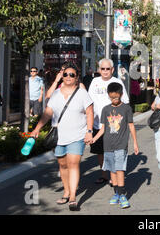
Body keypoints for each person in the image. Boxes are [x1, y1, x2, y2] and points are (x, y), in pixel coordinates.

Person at [31, 62, 94, 211]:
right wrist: (37, 128)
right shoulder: (56, 94)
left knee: (73, 163)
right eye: (65, 74)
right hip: (59, 136)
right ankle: (66, 191)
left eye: (72, 75)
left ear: (77, 77)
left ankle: (72, 197)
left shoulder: (82, 93)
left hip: (77, 135)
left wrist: (89, 131)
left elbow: (90, 112)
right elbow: (48, 113)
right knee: (63, 165)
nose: (68, 77)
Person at [90, 82, 139, 209]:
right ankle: (116, 193)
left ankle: (123, 195)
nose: (114, 100)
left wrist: (135, 143)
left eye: (116, 98)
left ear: (121, 95)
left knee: (120, 169)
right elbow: (103, 128)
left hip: (121, 145)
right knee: (112, 170)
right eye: (111, 98)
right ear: (108, 95)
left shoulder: (126, 109)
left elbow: (131, 126)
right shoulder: (105, 109)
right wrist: (94, 138)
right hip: (108, 145)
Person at [88, 58, 129, 185]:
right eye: (102, 69)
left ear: (112, 70)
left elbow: (125, 102)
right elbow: (89, 102)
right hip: (96, 123)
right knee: (100, 151)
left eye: (108, 69)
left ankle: (114, 177)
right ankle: (104, 174)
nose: (105, 71)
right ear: (99, 70)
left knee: (112, 151)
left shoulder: (117, 82)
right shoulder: (94, 81)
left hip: (113, 125)